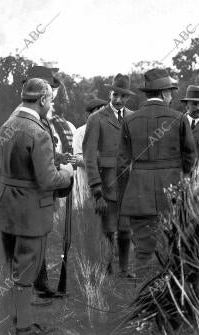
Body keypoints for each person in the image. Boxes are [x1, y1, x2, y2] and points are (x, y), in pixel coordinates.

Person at [0, 78, 73, 335]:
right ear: (42, 100)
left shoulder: (7, 125)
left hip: (6, 207)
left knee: (14, 270)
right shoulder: (38, 131)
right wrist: (68, 172)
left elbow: (8, 167)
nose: (50, 105)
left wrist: (53, 158)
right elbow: (48, 179)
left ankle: (16, 321)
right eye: (50, 100)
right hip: (31, 211)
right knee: (26, 273)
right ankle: (25, 329)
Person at [116, 68, 196, 277]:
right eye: (170, 91)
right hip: (172, 195)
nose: (172, 96)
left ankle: (144, 301)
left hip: (139, 196)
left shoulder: (129, 120)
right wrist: (182, 181)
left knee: (143, 251)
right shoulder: (179, 119)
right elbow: (190, 157)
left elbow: (122, 164)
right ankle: (168, 300)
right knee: (171, 247)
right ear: (162, 93)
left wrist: (128, 193)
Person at [83, 74, 135, 277]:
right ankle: (105, 268)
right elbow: (88, 156)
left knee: (125, 229)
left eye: (123, 96)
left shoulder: (133, 117)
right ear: (109, 94)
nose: (118, 100)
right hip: (106, 185)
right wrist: (96, 191)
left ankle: (123, 268)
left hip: (128, 184)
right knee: (107, 229)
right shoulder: (96, 118)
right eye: (115, 95)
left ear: (128, 98)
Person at [72, 98, 107, 208]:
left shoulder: (109, 130)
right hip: (86, 184)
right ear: (89, 115)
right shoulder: (81, 132)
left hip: (106, 184)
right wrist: (99, 161)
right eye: (98, 112)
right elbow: (77, 158)